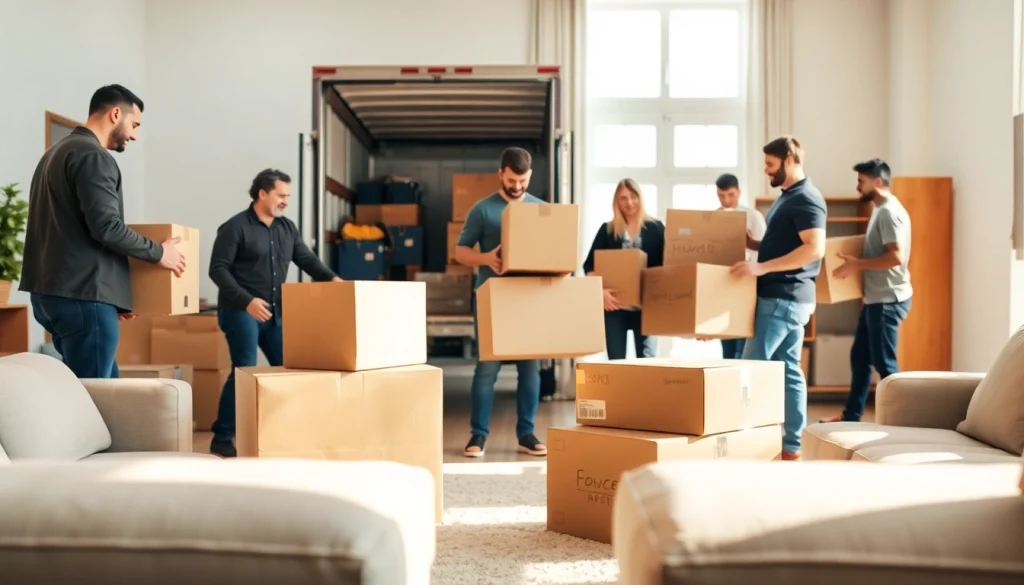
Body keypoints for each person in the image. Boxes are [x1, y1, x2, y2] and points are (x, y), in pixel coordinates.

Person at [19, 84, 186, 379]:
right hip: (84, 297)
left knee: (106, 385)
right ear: (115, 113)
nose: (134, 135)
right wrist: (160, 253)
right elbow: (106, 227)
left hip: (52, 295)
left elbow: (76, 231)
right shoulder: (92, 156)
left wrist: (114, 298)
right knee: (97, 396)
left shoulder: (54, 155)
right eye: (134, 125)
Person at [207, 168, 342, 457]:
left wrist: (336, 282)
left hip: (275, 312)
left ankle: (285, 432)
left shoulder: (287, 228)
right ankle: (222, 437)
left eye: (288, 196)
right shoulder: (235, 227)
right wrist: (247, 301)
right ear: (262, 193)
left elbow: (307, 260)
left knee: (289, 368)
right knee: (244, 369)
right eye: (281, 195)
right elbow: (217, 270)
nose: (285, 201)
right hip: (241, 311)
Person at [731, 136, 826, 461]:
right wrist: (755, 248)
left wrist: (761, 267)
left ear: (789, 160)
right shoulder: (789, 197)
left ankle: (747, 444)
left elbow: (814, 248)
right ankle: (792, 447)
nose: (765, 170)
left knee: (750, 369)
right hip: (787, 297)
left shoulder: (806, 199)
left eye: (770, 164)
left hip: (783, 298)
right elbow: (785, 245)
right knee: (788, 370)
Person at [454, 147, 547, 458]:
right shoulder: (483, 209)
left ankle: (527, 433)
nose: (517, 187)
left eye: (523, 181)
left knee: (530, 370)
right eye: (511, 180)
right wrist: (486, 259)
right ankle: (478, 436)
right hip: (492, 297)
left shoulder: (541, 210)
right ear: (500, 174)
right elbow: (460, 251)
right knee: (487, 369)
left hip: (528, 300)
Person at [822, 159, 912, 423]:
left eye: (861, 180)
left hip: (886, 300)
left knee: (886, 366)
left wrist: (856, 266)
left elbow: (896, 257)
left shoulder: (888, 212)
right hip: (876, 299)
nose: (857, 185)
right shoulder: (879, 209)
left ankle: (902, 421)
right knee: (861, 358)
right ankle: (852, 416)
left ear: (878, 182)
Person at [582, 179, 665, 360]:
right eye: (623, 198)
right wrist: (600, 292)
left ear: (640, 198)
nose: (629, 203)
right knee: (616, 361)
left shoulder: (656, 229)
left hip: (647, 308)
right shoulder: (607, 230)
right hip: (614, 307)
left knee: (648, 362)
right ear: (616, 202)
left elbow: (667, 266)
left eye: (633, 197)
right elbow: (588, 266)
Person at [715, 173, 767, 360]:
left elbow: (764, 252)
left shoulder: (754, 216)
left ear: (739, 192)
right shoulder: (714, 217)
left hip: (747, 286)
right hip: (723, 285)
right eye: (721, 195)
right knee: (726, 346)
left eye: (730, 195)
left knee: (743, 346)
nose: (726, 200)